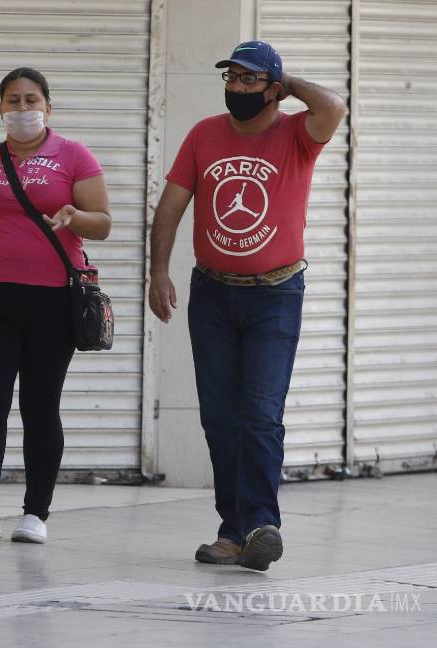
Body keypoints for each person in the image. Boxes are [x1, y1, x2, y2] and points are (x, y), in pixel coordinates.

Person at [148, 41, 346, 571]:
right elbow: (170, 207)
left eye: (249, 79)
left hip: (276, 295)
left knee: (259, 413)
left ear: (273, 89)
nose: (236, 87)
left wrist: (287, 83)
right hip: (212, 293)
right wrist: (158, 271)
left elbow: (333, 106)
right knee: (219, 417)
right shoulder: (204, 134)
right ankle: (233, 530)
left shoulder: (298, 134)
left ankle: (260, 525)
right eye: (231, 78)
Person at [0, 68, 112, 544]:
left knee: (41, 406)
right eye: (13, 100)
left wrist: (75, 216)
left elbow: (103, 223)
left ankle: (36, 513)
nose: (22, 109)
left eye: (31, 100)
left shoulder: (74, 156)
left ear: (48, 107)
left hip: (52, 299)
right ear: (0, 108)